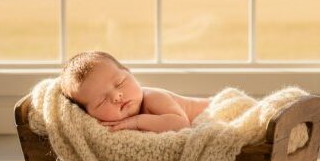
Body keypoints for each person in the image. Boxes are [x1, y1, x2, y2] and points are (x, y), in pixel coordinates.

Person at [59, 50, 210, 133]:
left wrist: (136, 122)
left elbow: (181, 124)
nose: (116, 96)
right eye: (102, 101)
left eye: (120, 83)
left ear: (130, 73)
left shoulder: (152, 97)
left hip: (210, 110)